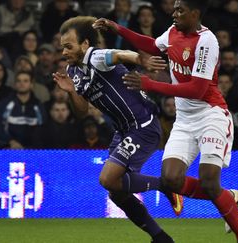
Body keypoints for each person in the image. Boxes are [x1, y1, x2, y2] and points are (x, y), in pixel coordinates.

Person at [93, 0, 238, 242]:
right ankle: (228, 197)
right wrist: (118, 29)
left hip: (211, 114)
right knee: (171, 179)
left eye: (180, 10)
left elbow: (198, 90)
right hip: (184, 120)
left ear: (195, 12)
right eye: (174, 8)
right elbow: (151, 45)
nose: (174, 13)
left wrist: (150, 84)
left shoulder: (207, 41)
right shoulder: (173, 32)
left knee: (209, 180)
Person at [53, 16, 182, 243]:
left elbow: (120, 54)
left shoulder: (95, 56)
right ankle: (161, 238)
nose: (64, 52)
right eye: (62, 47)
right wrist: (71, 91)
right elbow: (82, 113)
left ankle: (167, 185)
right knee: (116, 192)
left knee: (107, 179)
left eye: (68, 46)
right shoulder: (73, 71)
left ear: (85, 44)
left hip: (143, 126)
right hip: (123, 131)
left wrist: (141, 59)